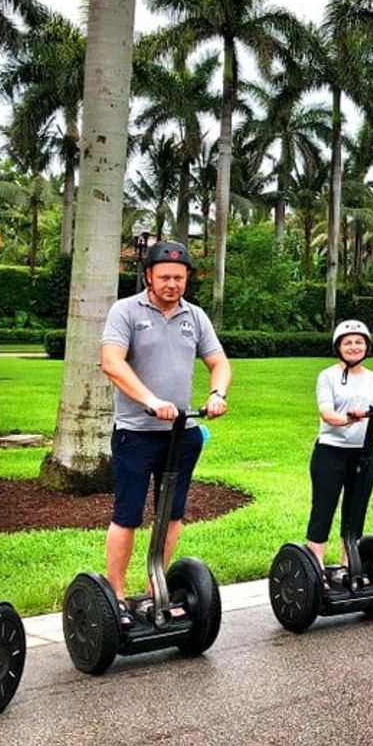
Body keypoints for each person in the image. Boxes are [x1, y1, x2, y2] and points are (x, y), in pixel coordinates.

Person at [100, 240, 230, 621]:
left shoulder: (195, 316)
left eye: (179, 277)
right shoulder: (125, 311)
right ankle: (116, 597)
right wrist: (150, 400)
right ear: (149, 277)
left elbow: (219, 362)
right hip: (136, 433)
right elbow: (111, 363)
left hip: (182, 433)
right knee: (127, 514)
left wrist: (218, 393)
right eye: (165, 277)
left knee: (171, 514)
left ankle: (154, 590)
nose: (172, 284)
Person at [309, 321, 373, 584]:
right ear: (338, 347)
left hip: (364, 454)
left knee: (356, 511)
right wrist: (349, 419)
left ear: (367, 346)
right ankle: (315, 570)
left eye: (359, 342)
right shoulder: (327, 376)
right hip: (331, 453)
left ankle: (348, 566)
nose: (354, 347)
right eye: (348, 342)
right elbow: (326, 413)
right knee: (324, 508)